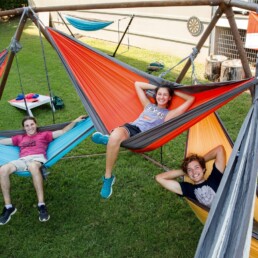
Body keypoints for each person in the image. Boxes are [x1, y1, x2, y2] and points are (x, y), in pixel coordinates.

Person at [92, 81, 195, 199]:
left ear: (170, 97)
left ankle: (107, 175)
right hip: (131, 128)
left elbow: (190, 99)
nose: (161, 97)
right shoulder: (148, 105)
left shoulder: (169, 114)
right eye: (159, 94)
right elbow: (137, 84)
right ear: (156, 95)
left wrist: (173, 90)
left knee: (115, 138)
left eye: (165, 95)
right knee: (116, 136)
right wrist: (159, 88)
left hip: (143, 136)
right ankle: (110, 145)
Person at [0, 115, 86, 225]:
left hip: (37, 159)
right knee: (3, 169)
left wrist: (75, 121)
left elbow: (62, 132)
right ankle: (8, 207)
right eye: (27, 126)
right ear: (24, 128)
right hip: (22, 160)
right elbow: (2, 142)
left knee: (32, 166)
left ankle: (41, 205)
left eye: (32, 124)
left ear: (36, 125)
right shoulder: (19, 138)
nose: (30, 127)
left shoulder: (44, 135)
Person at [155, 145, 226, 208]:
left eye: (196, 167)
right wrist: (184, 171)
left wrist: (200, 161)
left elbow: (220, 150)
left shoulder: (215, 178)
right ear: (187, 174)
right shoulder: (188, 189)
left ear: (203, 169)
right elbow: (159, 178)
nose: (194, 172)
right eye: (190, 170)